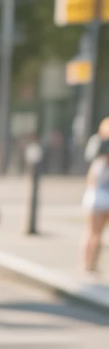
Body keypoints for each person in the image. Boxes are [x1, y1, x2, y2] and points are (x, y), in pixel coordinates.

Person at [81, 115, 109, 274]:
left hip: (97, 195)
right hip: (103, 194)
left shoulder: (98, 144)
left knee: (92, 232)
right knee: (99, 233)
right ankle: (92, 263)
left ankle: (87, 264)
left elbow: (91, 177)